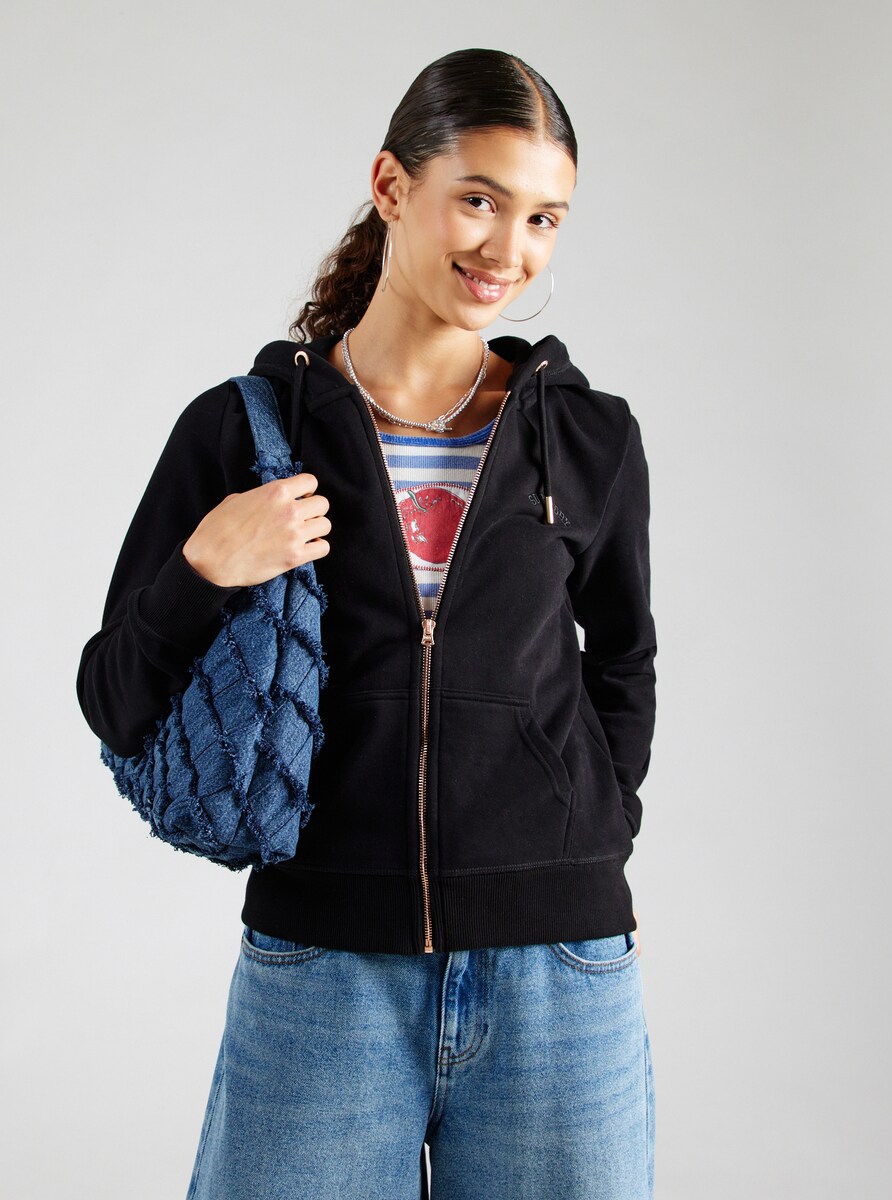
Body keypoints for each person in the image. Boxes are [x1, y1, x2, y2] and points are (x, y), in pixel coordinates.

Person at [77, 47, 657, 1200]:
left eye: (544, 217)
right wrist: (205, 565)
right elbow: (114, 696)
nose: (509, 250)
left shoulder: (589, 436)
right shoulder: (246, 430)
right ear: (392, 185)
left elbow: (625, 661)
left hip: (558, 973)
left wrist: (585, 836)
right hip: (323, 969)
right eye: (479, 200)